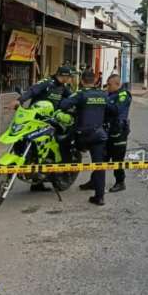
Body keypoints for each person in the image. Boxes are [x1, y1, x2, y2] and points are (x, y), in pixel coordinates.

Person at [60, 70, 118, 206]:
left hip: (82, 137)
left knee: (62, 145)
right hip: (98, 135)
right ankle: (100, 197)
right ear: (95, 80)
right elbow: (114, 110)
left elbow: (63, 105)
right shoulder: (103, 95)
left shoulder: (80, 94)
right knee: (99, 165)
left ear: (82, 81)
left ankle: (60, 179)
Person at [103, 74, 131, 193]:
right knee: (102, 158)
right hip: (108, 131)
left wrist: (103, 100)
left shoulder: (123, 95)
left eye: (109, 85)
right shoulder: (110, 94)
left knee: (117, 159)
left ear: (117, 84)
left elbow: (116, 109)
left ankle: (120, 182)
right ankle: (95, 181)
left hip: (119, 131)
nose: (107, 87)